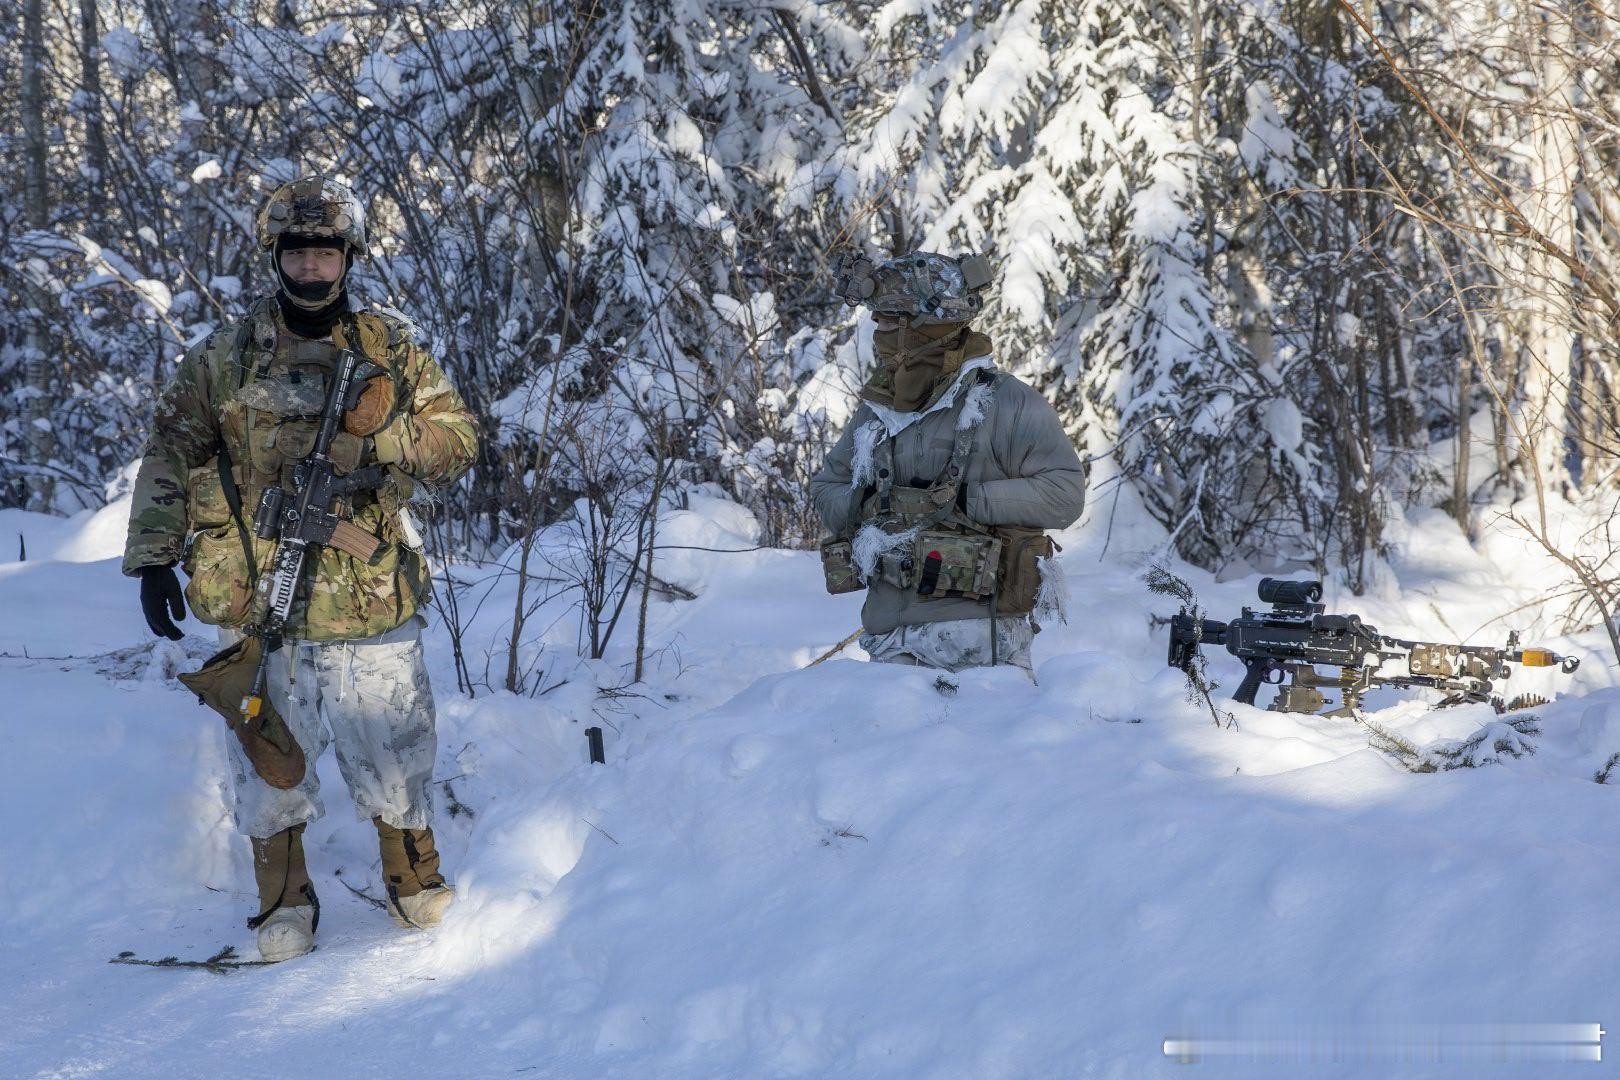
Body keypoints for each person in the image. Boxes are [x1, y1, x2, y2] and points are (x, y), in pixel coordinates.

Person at [122, 174, 478, 962]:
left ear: (347, 257)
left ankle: (412, 879)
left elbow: (458, 440)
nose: (312, 267)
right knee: (266, 757)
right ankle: (285, 900)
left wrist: (376, 446)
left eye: (326, 252)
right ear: (275, 256)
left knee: (396, 744)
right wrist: (151, 557)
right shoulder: (225, 355)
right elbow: (172, 449)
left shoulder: (390, 349)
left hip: (368, 597)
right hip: (260, 598)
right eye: (298, 252)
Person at [811, 250, 1085, 674]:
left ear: (921, 329)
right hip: (888, 644)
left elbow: (1064, 494)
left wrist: (966, 501)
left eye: (887, 322)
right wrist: (871, 505)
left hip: (982, 650)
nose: (877, 334)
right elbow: (827, 488)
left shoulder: (1007, 401)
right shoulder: (877, 412)